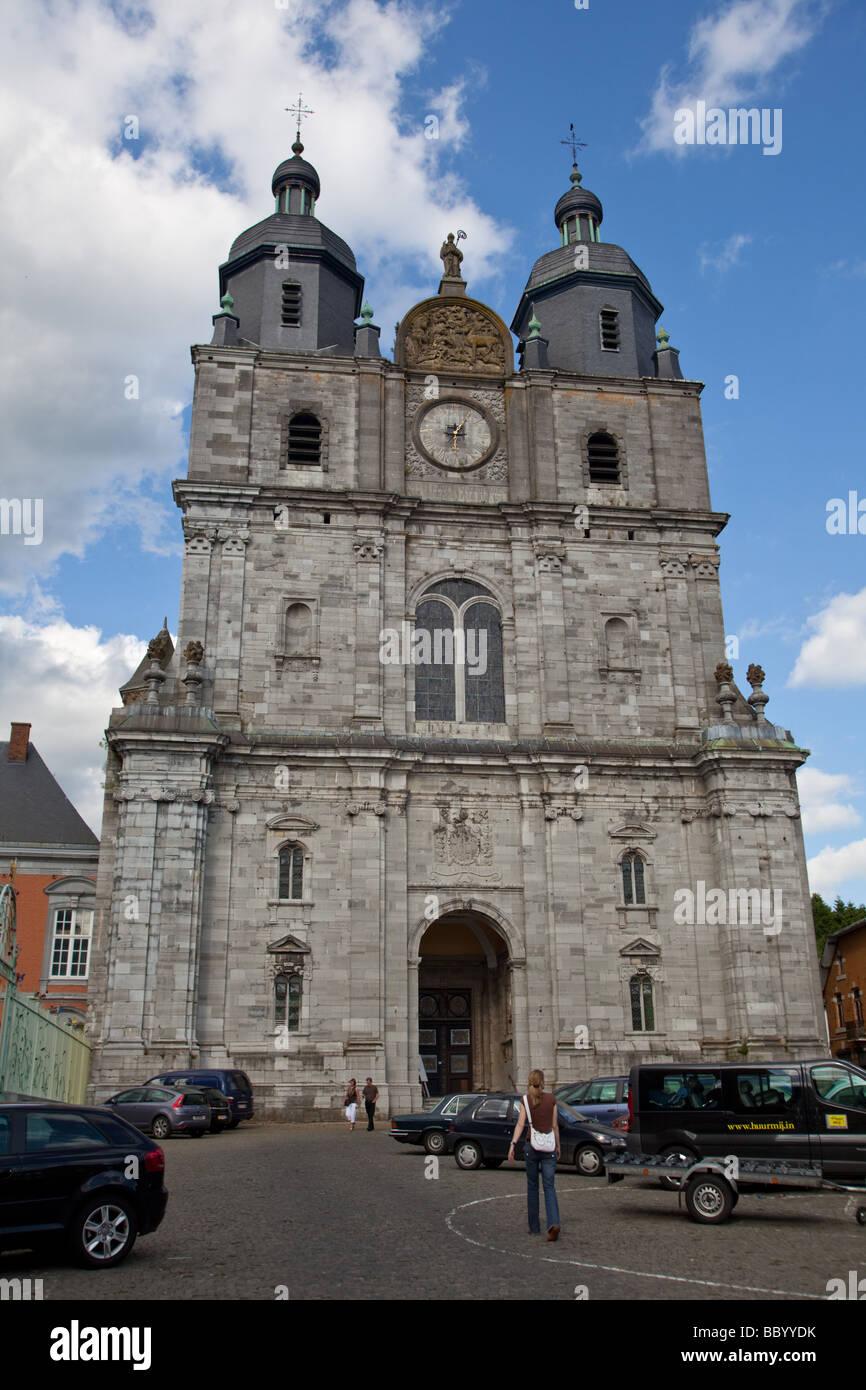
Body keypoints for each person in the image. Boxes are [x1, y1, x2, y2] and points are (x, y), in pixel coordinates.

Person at [509, 1069, 561, 1240]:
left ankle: (534, 1226)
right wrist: (558, 1146)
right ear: (543, 1082)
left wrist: (513, 1144)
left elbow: (520, 1124)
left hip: (532, 1147)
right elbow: (554, 1126)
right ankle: (553, 1223)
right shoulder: (551, 1099)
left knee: (532, 1187)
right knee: (549, 1187)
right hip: (549, 1148)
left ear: (529, 1083)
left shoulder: (525, 1100)